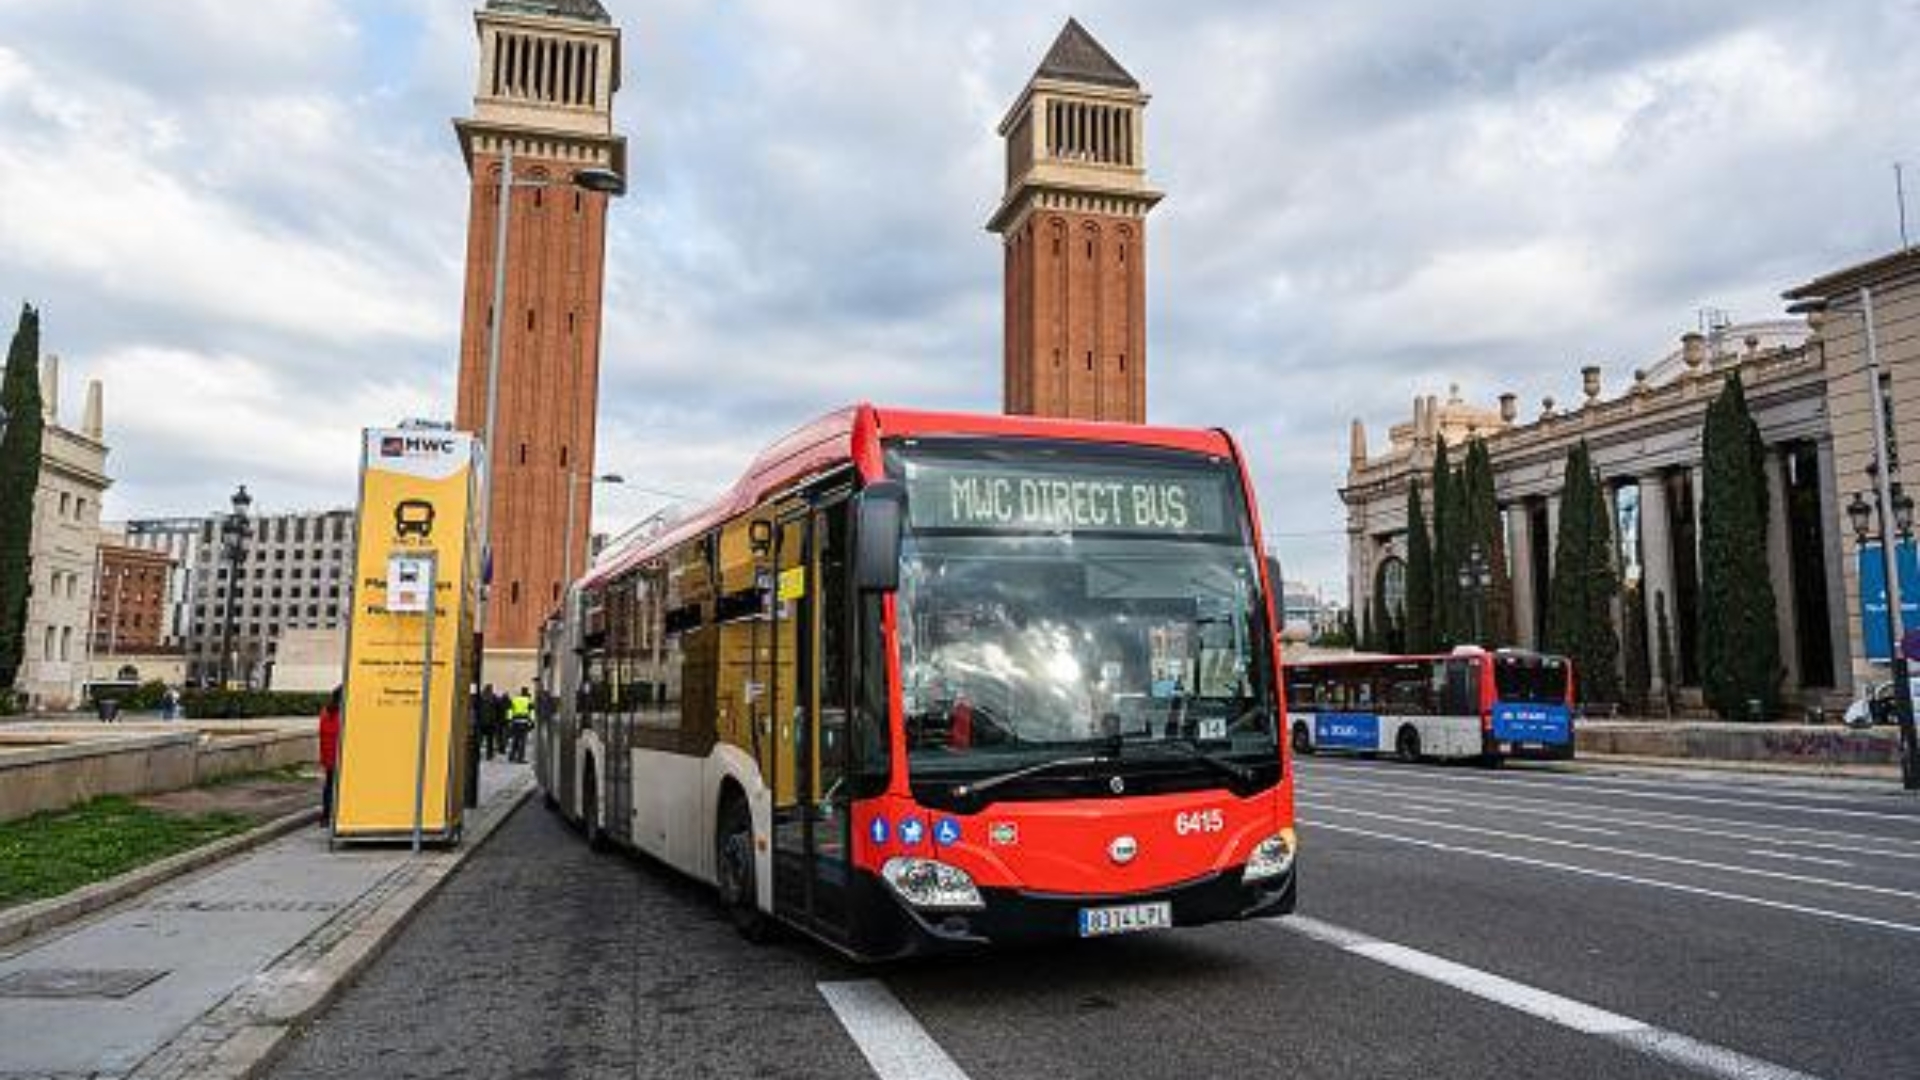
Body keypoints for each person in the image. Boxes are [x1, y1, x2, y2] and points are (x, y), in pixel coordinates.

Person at [318, 685, 343, 823]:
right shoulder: (342, 714)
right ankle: (334, 816)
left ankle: (326, 816)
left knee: (329, 785)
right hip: (340, 756)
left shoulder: (326, 712)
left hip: (329, 756)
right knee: (336, 786)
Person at [506, 686, 535, 763]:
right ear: (526, 693)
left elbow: (510, 710)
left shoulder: (514, 700)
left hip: (515, 722)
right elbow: (531, 713)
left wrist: (509, 720)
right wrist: (532, 722)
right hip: (524, 722)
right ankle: (520, 758)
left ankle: (511, 756)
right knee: (522, 741)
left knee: (515, 740)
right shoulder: (528, 701)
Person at [475, 684, 499, 761]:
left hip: (481, 722)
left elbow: (476, 708)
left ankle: (477, 754)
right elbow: (498, 709)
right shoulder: (494, 698)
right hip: (491, 722)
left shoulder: (480, 697)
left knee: (480, 740)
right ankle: (489, 755)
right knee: (490, 741)